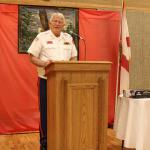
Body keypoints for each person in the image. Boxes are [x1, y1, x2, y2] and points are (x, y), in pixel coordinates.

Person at [27, 12, 77, 150]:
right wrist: (44, 64)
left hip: (66, 82)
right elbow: (32, 57)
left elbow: (73, 57)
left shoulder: (69, 38)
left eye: (60, 21)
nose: (57, 23)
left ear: (64, 24)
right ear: (50, 23)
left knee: (65, 110)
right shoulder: (41, 37)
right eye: (54, 21)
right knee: (46, 112)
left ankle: (64, 138)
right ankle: (45, 143)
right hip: (46, 80)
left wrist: (71, 67)